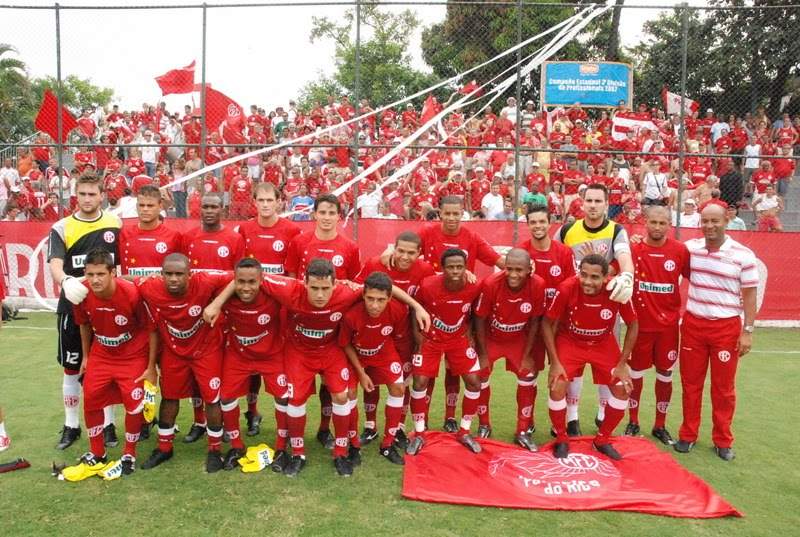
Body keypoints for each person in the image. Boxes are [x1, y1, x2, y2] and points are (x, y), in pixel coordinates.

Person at [204, 258, 429, 477]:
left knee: (341, 396)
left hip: (331, 350)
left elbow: (387, 288)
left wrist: (417, 306)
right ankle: (298, 453)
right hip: (298, 352)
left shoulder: (347, 291)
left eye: (325, 288)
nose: (320, 295)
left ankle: (341, 452)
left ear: (336, 284)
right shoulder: (288, 289)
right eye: (314, 288)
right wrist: (216, 303)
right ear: (304, 283)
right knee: (295, 400)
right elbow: (242, 277)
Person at [674, 203, 759, 462]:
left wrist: (748, 331)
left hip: (725, 328)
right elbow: (665, 255)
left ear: (727, 220)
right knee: (691, 384)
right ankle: (688, 435)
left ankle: (723, 440)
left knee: (723, 389)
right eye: (705, 221)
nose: (710, 226)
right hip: (693, 325)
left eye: (715, 221)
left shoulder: (743, 255)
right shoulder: (691, 249)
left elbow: (750, 295)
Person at [65, 249, 157, 480]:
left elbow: (151, 329)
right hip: (102, 354)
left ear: (113, 273)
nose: (95, 280)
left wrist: (150, 366)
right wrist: (86, 356)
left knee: (134, 405)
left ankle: (129, 453)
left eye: (100, 274)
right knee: (92, 400)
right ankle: (98, 452)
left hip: (132, 355)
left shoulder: (131, 294)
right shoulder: (81, 293)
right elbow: (84, 325)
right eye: (90, 274)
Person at [136, 254, 232, 473]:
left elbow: (239, 276)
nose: (173, 279)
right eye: (168, 274)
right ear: (161, 275)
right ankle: (164, 448)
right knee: (169, 397)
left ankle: (215, 450)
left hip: (206, 349)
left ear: (190, 274)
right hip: (174, 351)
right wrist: (74, 282)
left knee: (212, 399)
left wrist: (216, 303)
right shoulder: (150, 286)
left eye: (179, 274)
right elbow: (123, 280)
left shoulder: (206, 281)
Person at [48, 172, 122, 450]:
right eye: (83, 194)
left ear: (102, 195)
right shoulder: (62, 226)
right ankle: (71, 425)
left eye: (93, 194)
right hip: (72, 306)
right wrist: (66, 281)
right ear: (75, 196)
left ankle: (109, 424)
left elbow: (121, 264)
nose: (87, 199)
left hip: (106, 308)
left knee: (108, 367)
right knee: (71, 366)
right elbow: (55, 264)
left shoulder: (114, 223)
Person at [554, 183, 635, 435]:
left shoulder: (616, 230)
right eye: (589, 200)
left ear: (606, 204)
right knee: (573, 365)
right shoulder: (568, 229)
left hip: (604, 306)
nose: (593, 206)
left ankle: (602, 412)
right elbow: (553, 252)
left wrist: (626, 276)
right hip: (575, 304)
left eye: (598, 201)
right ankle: (572, 416)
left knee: (606, 365)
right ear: (581, 202)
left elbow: (625, 259)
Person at [543, 254, 638, 460]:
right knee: (557, 385)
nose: (587, 281)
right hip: (570, 342)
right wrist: (555, 363)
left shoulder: (617, 290)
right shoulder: (567, 288)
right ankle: (561, 437)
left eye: (594, 277)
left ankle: (602, 439)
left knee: (623, 388)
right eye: (583, 275)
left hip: (603, 344)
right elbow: (546, 323)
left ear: (605, 277)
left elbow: (633, 325)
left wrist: (622, 364)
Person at [285, 194, 361, 449]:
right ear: (314, 214)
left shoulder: (350, 247)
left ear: (339, 217)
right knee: (299, 391)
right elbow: (293, 280)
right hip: (303, 325)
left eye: (332, 213)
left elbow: (353, 286)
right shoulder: (299, 242)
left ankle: (325, 429)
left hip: (333, 328)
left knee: (333, 386)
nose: (327, 218)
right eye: (323, 212)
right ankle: (295, 442)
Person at [356, 231, 435, 448]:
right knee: (372, 380)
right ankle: (370, 426)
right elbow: (358, 291)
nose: (405, 256)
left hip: (405, 335)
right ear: (394, 248)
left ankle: (398, 427)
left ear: (420, 254)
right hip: (375, 333)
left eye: (411, 253)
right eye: (400, 250)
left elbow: (429, 298)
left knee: (403, 382)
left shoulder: (425, 270)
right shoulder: (376, 263)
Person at [237, 182, 301, 433]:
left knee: (278, 364)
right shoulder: (244, 230)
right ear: (254, 202)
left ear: (279, 202)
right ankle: (252, 413)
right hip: (250, 306)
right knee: (250, 359)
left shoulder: (291, 230)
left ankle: (283, 424)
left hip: (279, 308)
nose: (265, 204)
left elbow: (292, 273)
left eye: (269, 200)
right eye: (260, 200)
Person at [406, 249, 484, 456]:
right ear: (443, 268)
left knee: (475, 381)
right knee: (419, 382)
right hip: (431, 340)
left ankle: (465, 431)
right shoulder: (428, 285)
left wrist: (471, 334)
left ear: (466, 267)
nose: (455, 271)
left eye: (460, 266)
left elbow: (477, 312)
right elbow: (415, 309)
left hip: (458, 340)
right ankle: (420, 433)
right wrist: (417, 337)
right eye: (451, 267)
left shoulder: (475, 286)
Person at [215, 258, 291, 472]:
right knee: (227, 396)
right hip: (238, 355)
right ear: (233, 281)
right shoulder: (226, 294)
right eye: (240, 282)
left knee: (283, 396)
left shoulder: (275, 294)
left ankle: (281, 447)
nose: (246, 287)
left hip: (271, 355)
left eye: (252, 282)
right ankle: (237, 446)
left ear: (262, 281)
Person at [625, 205, 690, 444]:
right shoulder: (634, 249)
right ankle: (633, 422)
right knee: (636, 373)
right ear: (645, 222)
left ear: (669, 224)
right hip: (640, 326)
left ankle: (660, 425)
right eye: (653, 222)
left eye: (662, 223)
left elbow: (696, 277)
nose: (657, 227)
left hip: (668, 327)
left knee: (665, 374)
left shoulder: (680, 251)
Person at [473, 248, 545, 450]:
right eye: (509, 269)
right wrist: (483, 354)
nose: (513, 274)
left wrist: (528, 354)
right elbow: (479, 318)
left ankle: (522, 430)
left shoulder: (537, 285)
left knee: (527, 375)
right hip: (492, 338)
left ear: (529, 270)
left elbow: (535, 320)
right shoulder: (491, 284)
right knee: (480, 374)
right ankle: (484, 424)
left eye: (519, 270)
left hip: (518, 340)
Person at [340, 272, 409, 465]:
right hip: (356, 355)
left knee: (398, 388)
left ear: (389, 298)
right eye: (370, 298)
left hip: (383, 351)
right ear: (363, 295)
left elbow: (398, 337)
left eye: (380, 300)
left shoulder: (398, 310)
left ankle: (387, 444)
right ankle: (353, 445)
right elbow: (345, 344)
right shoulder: (351, 315)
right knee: (350, 393)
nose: (374, 305)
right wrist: (361, 373)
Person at [119, 186, 182, 277]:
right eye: (141, 205)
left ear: (160, 206)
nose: (145, 209)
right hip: (131, 290)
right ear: (136, 206)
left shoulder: (173, 236)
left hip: (160, 291)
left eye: (150, 205)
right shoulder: (124, 234)